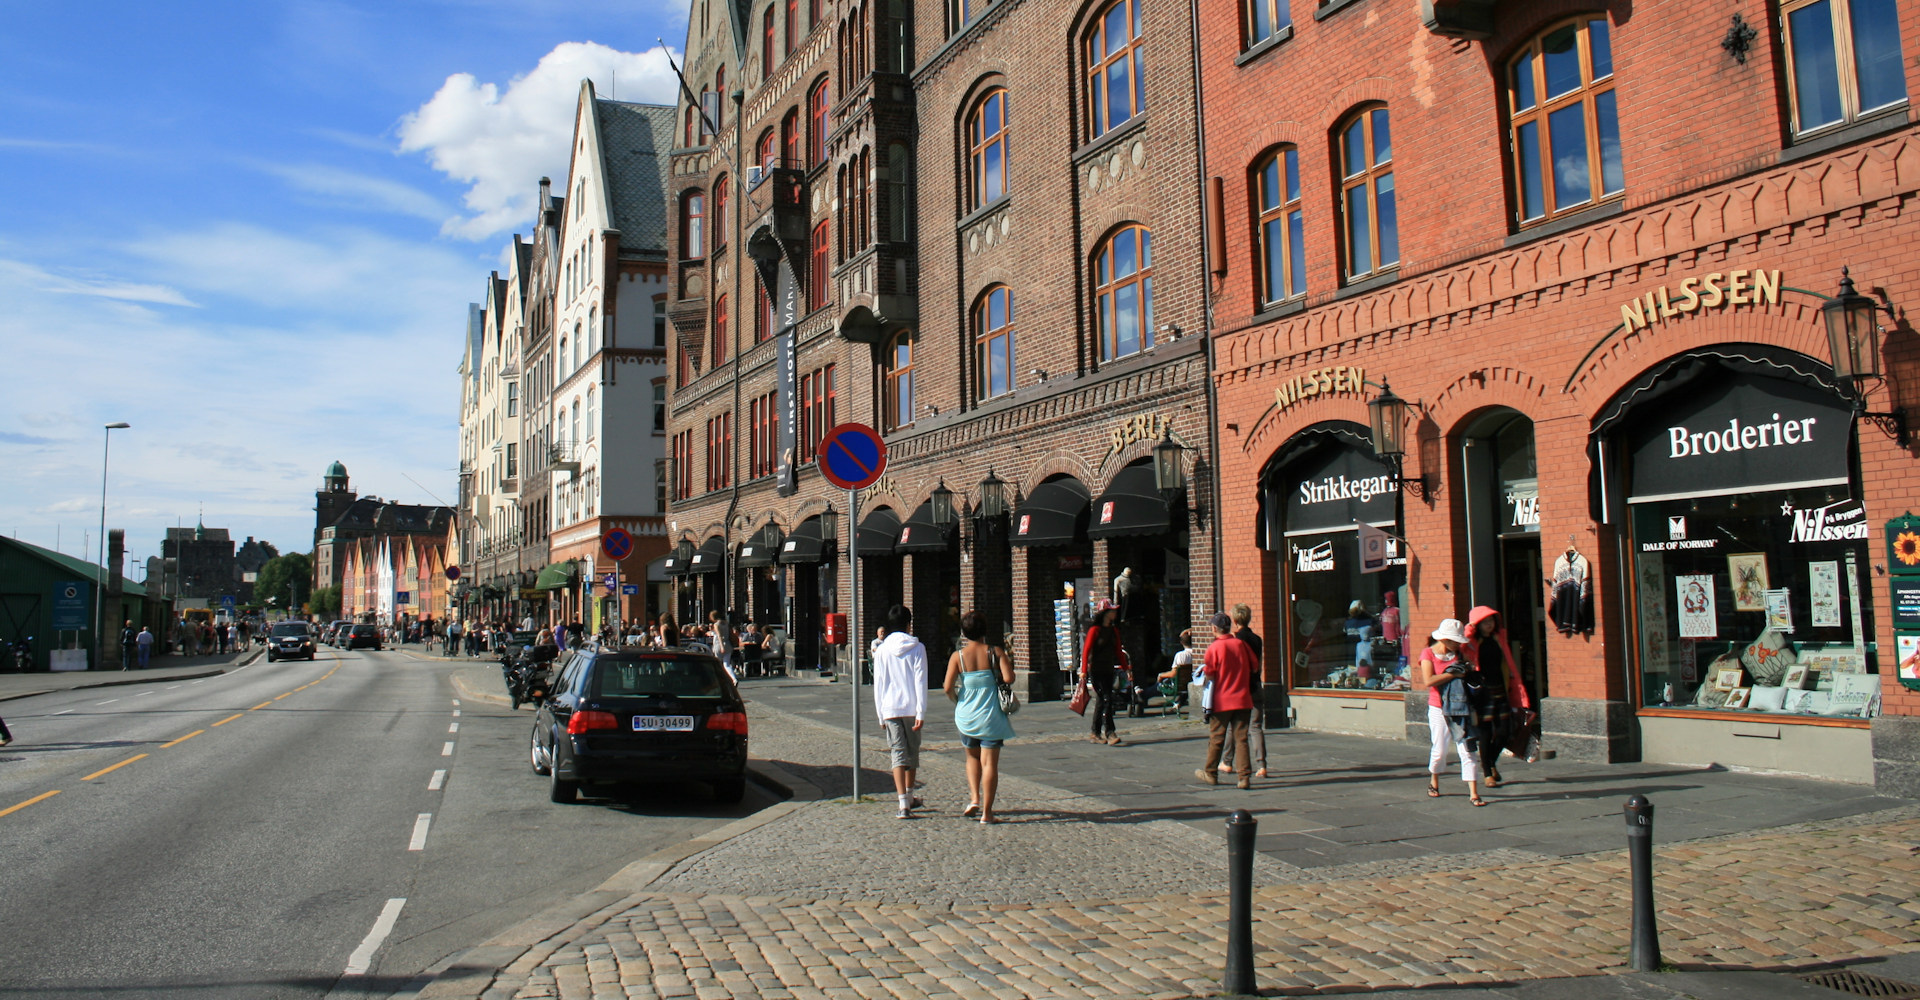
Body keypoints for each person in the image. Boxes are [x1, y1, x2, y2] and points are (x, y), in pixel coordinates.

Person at [945, 609, 1016, 823]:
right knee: (990, 764)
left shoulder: (958, 657)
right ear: (985, 630)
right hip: (991, 715)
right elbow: (1009, 677)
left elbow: (947, 686)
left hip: (967, 715)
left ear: (964, 633)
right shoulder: (994, 652)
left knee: (971, 757)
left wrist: (958, 700)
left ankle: (974, 798)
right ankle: (987, 812)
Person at [1464, 606, 1534, 785]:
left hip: (1500, 689)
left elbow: (1509, 664)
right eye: (1485, 622)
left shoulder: (1498, 638)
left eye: (1491, 621)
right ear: (1477, 625)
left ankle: (1491, 762)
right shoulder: (1472, 642)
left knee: (1505, 730)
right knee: (1485, 733)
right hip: (1482, 692)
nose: (1489, 624)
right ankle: (1487, 773)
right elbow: (1463, 643)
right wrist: (1471, 627)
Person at [871, 605, 929, 819]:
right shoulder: (917, 648)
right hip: (912, 708)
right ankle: (911, 794)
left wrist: (880, 713)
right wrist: (921, 712)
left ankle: (903, 802)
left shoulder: (882, 650)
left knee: (897, 753)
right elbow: (920, 681)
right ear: (908, 624)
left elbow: (879, 683)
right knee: (912, 753)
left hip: (890, 708)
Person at [1421, 618, 1486, 806]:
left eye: (1459, 641)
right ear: (1444, 639)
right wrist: (1453, 674)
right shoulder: (1428, 654)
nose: (1457, 644)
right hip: (1438, 707)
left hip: (1461, 707)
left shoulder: (1459, 654)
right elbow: (1428, 680)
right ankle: (1434, 780)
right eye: (1454, 641)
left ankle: (1474, 793)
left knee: (1467, 748)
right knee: (1440, 749)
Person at [1195, 613, 1257, 788]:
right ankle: (1244, 777)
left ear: (1215, 628)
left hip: (1222, 700)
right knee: (1242, 738)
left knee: (1217, 737)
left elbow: (1210, 672)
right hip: (1243, 698)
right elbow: (1255, 666)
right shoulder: (1241, 645)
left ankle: (1211, 773)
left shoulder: (1214, 648)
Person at [1218, 603, 1269, 777]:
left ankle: (1227, 761)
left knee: (1235, 726)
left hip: (1240, 688)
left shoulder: (1234, 640)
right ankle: (1261, 765)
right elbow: (1258, 664)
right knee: (1256, 727)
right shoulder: (1257, 639)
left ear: (1235, 619)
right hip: (1256, 685)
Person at [1079, 601, 1126, 745]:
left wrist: (1126, 667)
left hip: (1108, 668)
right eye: (1112, 610)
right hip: (1096, 670)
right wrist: (1084, 671)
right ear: (1105, 613)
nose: (1115, 613)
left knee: (1102, 700)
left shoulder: (1114, 630)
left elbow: (1118, 650)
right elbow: (1086, 651)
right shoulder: (1095, 630)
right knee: (1107, 698)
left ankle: (1095, 732)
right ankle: (1110, 732)